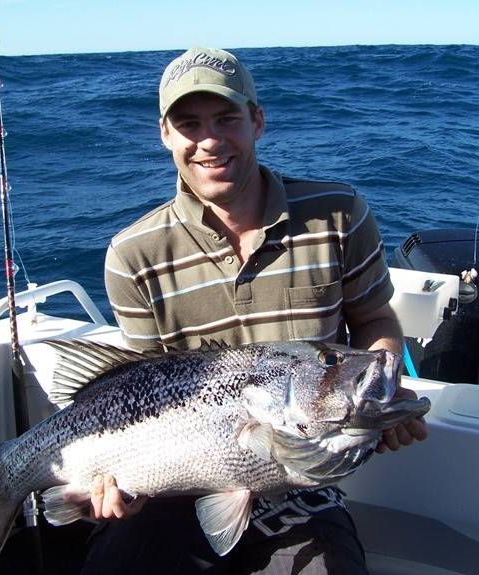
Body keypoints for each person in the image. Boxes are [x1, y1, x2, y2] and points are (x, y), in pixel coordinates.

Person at [84, 46, 427, 574]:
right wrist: (123, 488)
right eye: (190, 124)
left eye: (227, 119)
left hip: (303, 482)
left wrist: (384, 392)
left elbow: (375, 320)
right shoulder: (133, 255)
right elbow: (136, 388)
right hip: (176, 482)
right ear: (165, 134)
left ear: (257, 121)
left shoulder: (338, 214)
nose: (210, 141)